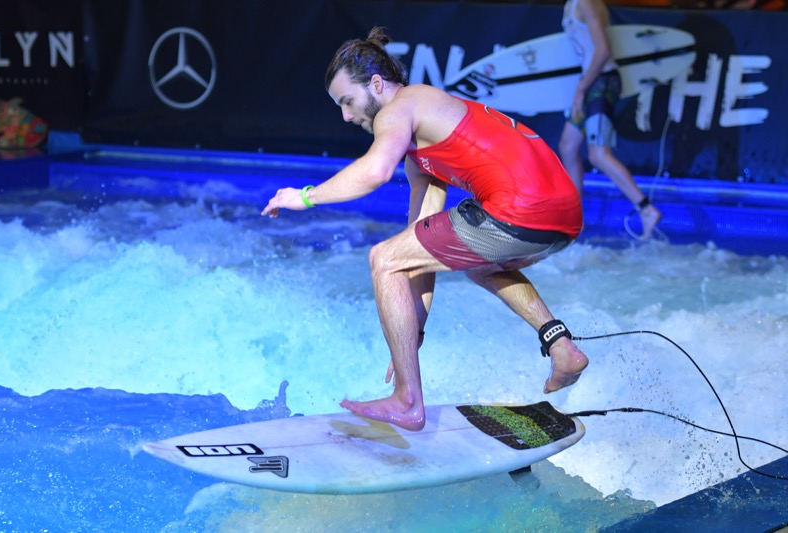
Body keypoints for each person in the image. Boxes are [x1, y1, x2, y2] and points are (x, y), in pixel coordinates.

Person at [261, 27, 589, 431]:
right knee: (452, 262)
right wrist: (412, 329)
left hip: (521, 208)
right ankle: (560, 345)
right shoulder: (423, 143)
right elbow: (418, 248)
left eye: (347, 101)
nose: (346, 116)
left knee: (382, 259)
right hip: (566, 215)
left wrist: (304, 196)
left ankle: (407, 401)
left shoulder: (402, 106)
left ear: (376, 84)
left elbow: (375, 172)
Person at [559, 0, 662, 240]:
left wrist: (581, 88)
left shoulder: (586, 2)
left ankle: (646, 209)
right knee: (568, 146)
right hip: (591, 82)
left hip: (602, 83)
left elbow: (603, 49)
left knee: (598, 154)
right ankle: (575, 220)